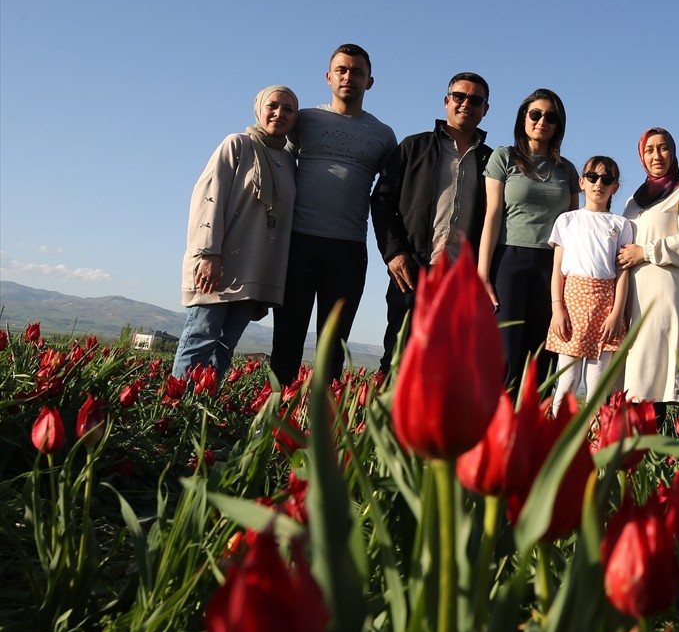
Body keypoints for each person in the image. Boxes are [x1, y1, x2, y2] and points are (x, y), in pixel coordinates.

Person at [271, 44, 397, 386]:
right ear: (328, 78)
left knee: (333, 346)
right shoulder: (304, 120)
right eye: (341, 70)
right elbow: (272, 159)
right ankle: (271, 423)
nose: (348, 77)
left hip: (348, 249)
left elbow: (391, 196)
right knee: (287, 337)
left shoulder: (383, 136)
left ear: (370, 81)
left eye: (357, 71)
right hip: (297, 243)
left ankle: (322, 427)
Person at [369, 72, 494, 375]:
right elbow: (381, 200)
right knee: (399, 361)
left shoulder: (492, 162)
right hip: (413, 272)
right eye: (459, 97)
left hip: (462, 281)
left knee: (449, 368)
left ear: (485, 109)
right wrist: (394, 252)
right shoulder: (414, 147)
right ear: (446, 101)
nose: (466, 104)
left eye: (475, 100)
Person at [172, 85, 299, 383]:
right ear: (259, 108)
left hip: (255, 270)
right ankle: (175, 413)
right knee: (200, 337)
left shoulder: (290, 162)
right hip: (219, 263)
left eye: (288, 109)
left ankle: (204, 411)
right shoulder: (238, 145)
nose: (279, 113)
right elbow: (208, 198)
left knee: (225, 347)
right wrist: (208, 253)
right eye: (273, 106)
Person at [478, 89, 578, 390]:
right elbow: (492, 216)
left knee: (543, 353)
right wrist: (483, 274)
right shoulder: (503, 158)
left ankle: (533, 428)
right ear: (524, 118)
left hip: (552, 266)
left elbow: (574, 227)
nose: (542, 121)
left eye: (551, 117)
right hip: (509, 261)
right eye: (535, 114)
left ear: (558, 125)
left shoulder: (567, 170)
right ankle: (496, 428)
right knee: (505, 353)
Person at [617, 128, 679, 420]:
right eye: (649, 150)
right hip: (631, 290)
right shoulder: (634, 200)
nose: (656, 155)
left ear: (673, 152)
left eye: (663, 148)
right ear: (641, 156)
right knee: (630, 368)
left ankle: (658, 444)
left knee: (655, 367)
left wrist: (645, 252)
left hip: (663, 289)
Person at [547, 156, 633, 414]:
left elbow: (622, 273)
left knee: (597, 384)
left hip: (605, 306)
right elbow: (557, 270)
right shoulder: (567, 220)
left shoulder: (621, 224)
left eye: (606, 179)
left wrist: (617, 313)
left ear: (615, 187)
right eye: (593, 177)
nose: (599, 184)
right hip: (571, 304)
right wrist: (557, 309)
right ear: (582, 182)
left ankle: (595, 440)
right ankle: (556, 434)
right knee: (567, 379)